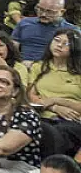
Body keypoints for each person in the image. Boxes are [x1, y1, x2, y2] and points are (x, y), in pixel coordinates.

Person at [27, 29, 81, 158]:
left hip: (73, 121)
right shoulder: (38, 67)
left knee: (55, 132)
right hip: (42, 116)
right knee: (38, 127)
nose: (59, 45)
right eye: (57, 40)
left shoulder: (78, 73)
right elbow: (31, 98)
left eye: (66, 43)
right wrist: (54, 107)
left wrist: (57, 100)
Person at [13, 0, 77, 61]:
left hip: (52, 67)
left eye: (49, 11)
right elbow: (13, 46)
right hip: (23, 64)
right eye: (40, 9)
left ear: (62, 12)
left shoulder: (72, 30)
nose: (43, 14)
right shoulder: (25, 22)